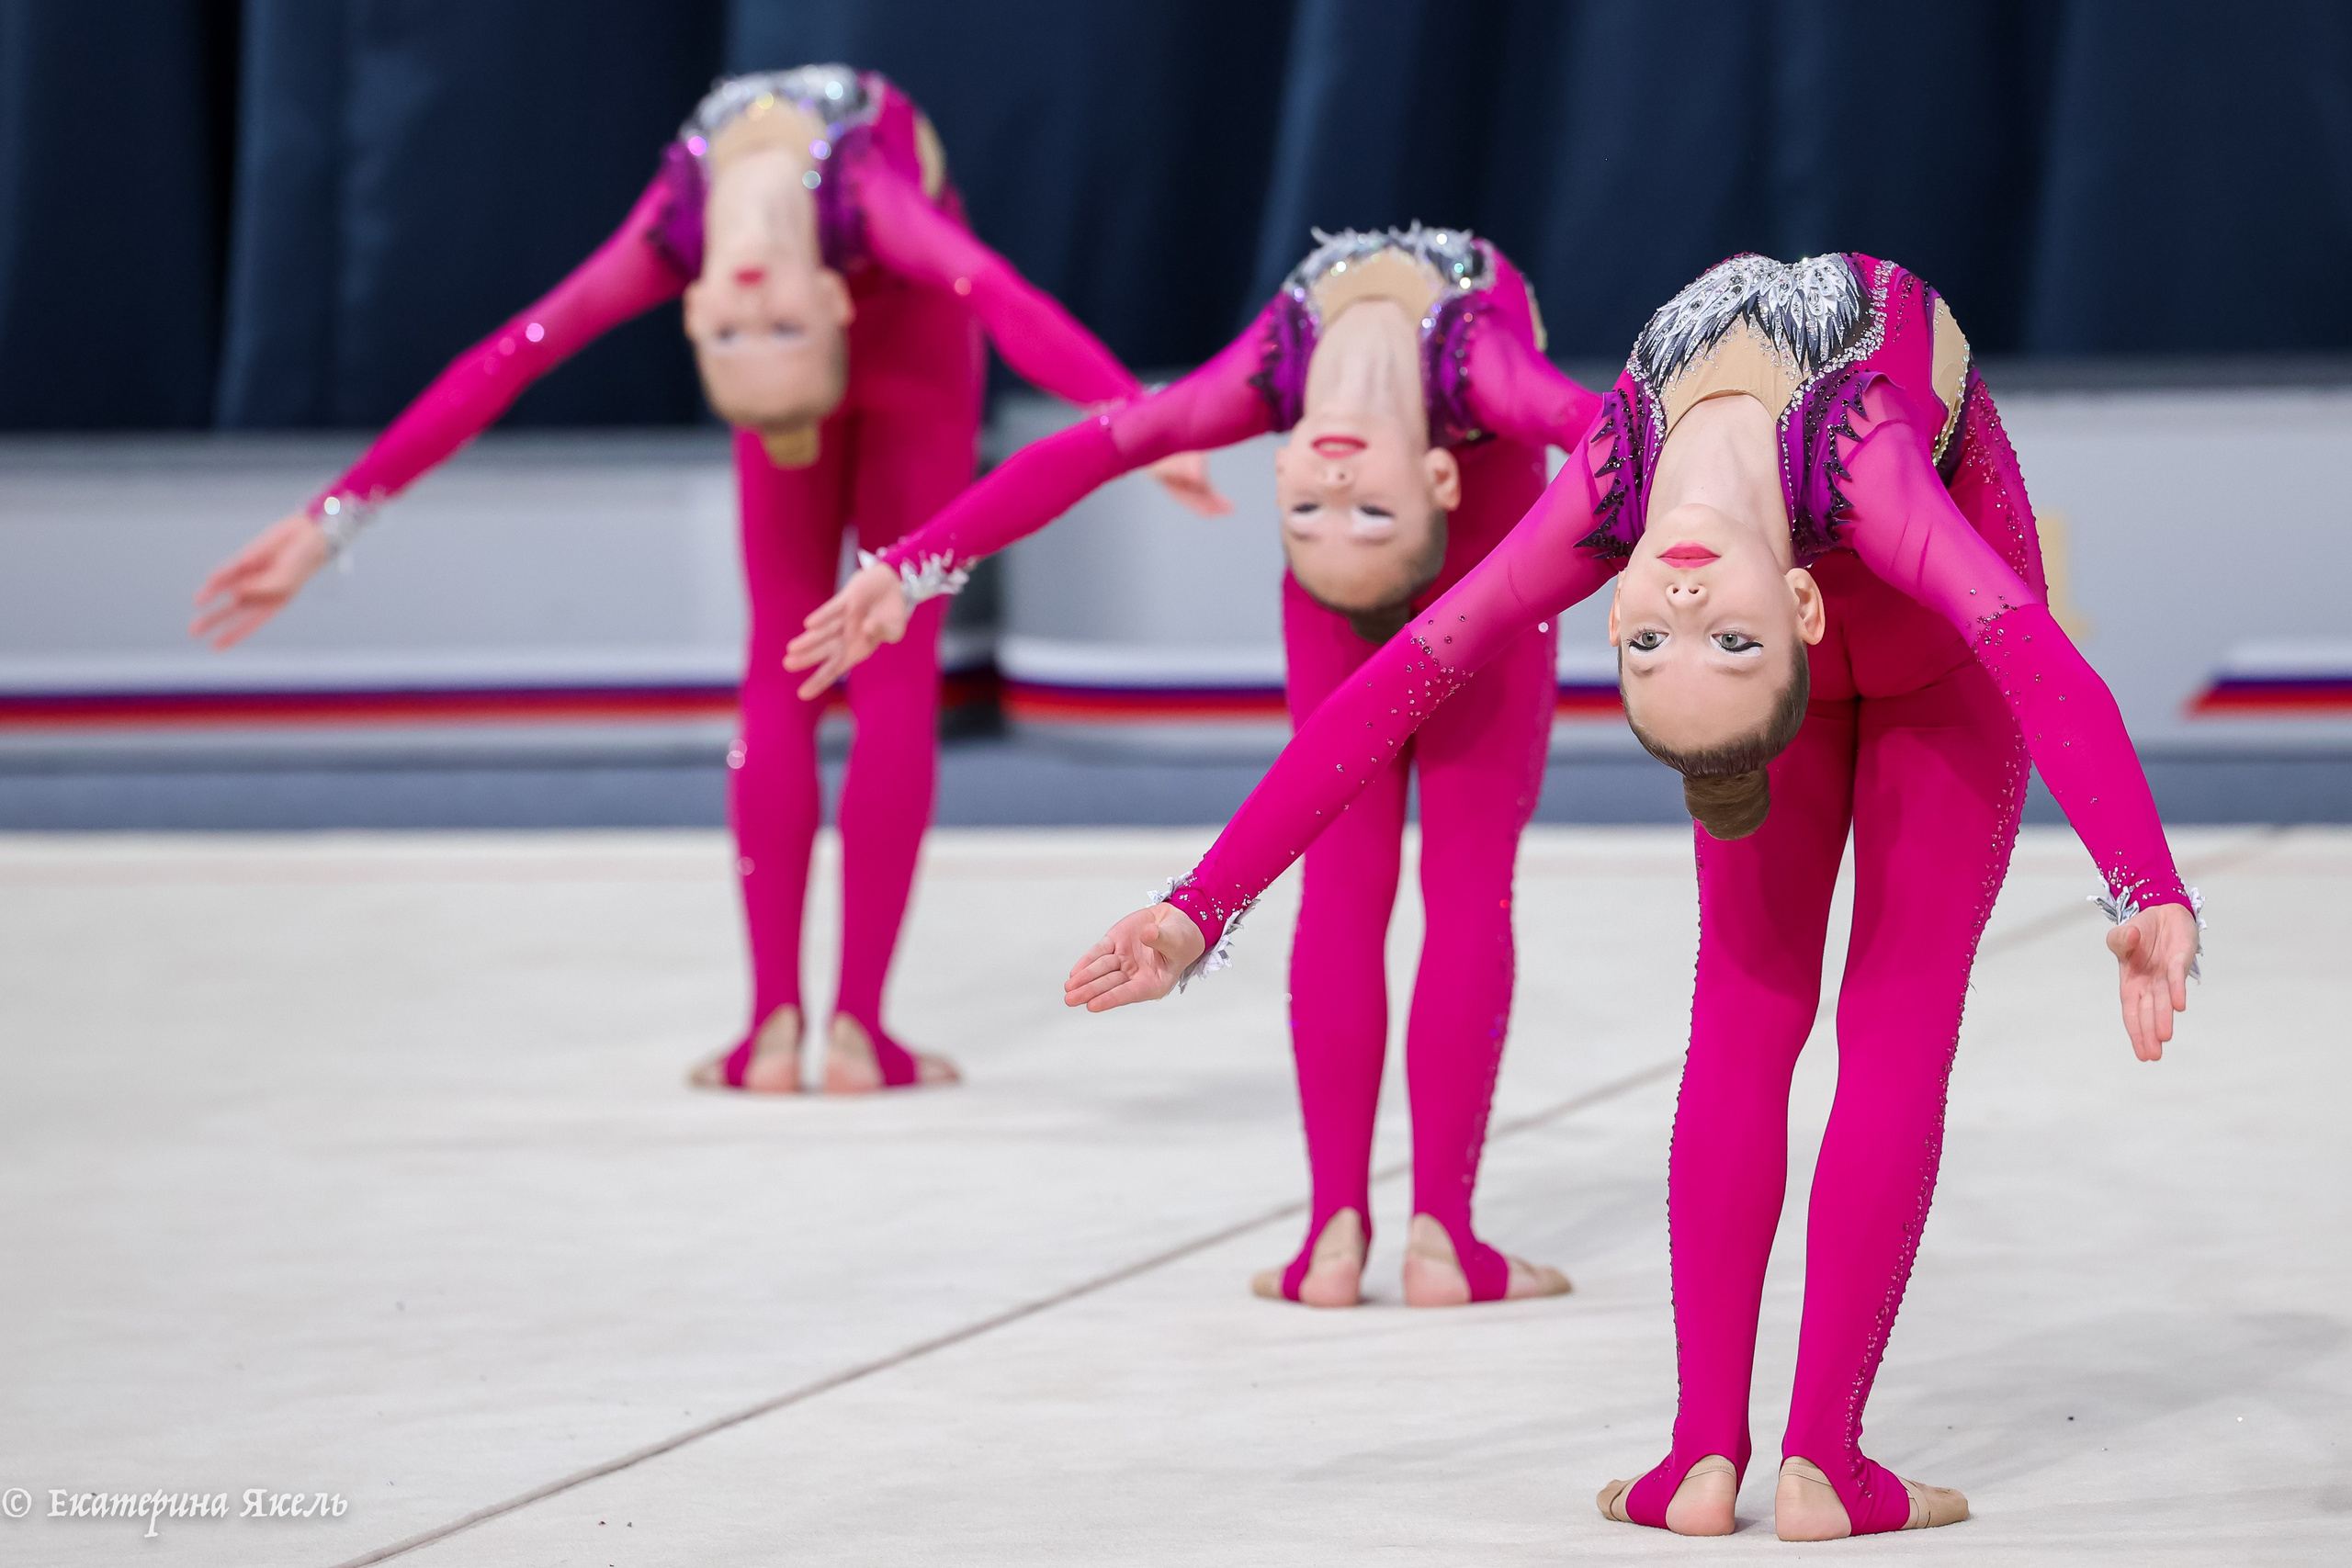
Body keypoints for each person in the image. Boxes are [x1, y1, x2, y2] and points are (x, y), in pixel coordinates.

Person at [1056, 253, 2200, 1537]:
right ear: (1785, 607)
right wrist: (1198, 908)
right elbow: (1387, 693)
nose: (1688, 605)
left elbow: (1395, 684)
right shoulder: (1800, 476)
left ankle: (1754, 1458)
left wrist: (1198, 905)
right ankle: (1765, 1458)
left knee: (1821, 1024)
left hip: (1930, 678)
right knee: (1807, 1022)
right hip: (1896, 685)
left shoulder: (1645, 484)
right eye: (1697, 638)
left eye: (1669, 637)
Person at [189, 65, 1210, 1093]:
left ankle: (827, 1030)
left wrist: (1137, 422)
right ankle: (801, 1027)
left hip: (918, 343)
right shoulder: (732, 229)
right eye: (740, 329)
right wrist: (331, 522)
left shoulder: (782, 214)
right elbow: (509, 358)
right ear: (692, 314)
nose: (754, 302)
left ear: (823, 303)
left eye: (772, 325)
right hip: (846, 383)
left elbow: (994, 297)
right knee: (799, 659)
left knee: (864, 661)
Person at [791, 225, 1600, 1305]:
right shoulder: (1454, 367)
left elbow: (1103, 445)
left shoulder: (1315, 363)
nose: (1333, 482)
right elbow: (1630, 441)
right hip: (1409, 603)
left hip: (1462, 594)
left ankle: (1384, 1240)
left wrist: (911, 564)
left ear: (1444, 474)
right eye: (1317, 510)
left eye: (1346, 508)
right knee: (1381, 886)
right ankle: (1383, 1235)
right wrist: (910, 567)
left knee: (1431, 888)